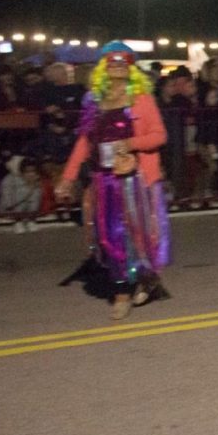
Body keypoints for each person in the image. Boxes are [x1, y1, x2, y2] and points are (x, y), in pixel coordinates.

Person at [55, 42, 171, 321]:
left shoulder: (141, 98)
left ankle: (145, 279)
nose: (118, 63)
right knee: (110, 237)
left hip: (134, 181)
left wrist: (130, 143)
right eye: (112, 60)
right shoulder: (93, 101)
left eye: (124, 59)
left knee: (139, 239)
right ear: (103, 67)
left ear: (132, 66)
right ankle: (122, 291)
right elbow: (84, 141)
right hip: (102, 181)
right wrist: (68, 177)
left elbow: (159, 136)